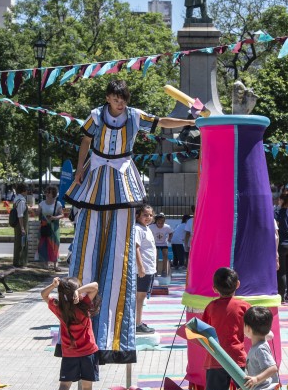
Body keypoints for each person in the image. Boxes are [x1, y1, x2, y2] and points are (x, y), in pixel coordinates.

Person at [63, 79, 193, 364]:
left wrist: (188, 118)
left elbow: (161, 122)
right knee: (89, 235)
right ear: (108, 97)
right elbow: (85, 142)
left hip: (122, 174)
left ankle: (114, 331)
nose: (119, 103)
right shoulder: (96, 116)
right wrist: (79, 172)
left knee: (119, 246)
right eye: (115, 98)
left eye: (122, 99)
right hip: (98, 172)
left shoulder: (134, 116)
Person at [41, 277, 100, 390]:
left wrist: (53, 285)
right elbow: (95, 286)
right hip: (88, 352)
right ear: (75, 293)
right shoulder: (84, 304)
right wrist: (79, 291)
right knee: (87, 386)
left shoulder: (59, 307)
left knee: (64, 385)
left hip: (69, 353)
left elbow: (44, 295)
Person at [201, 267, 248, 390]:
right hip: (237, 358)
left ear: (214, 288)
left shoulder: (210, 307)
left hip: (216, 358)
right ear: (237, 284)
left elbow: (204, 330)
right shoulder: (244, 306)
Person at [134, 205, 157, 334]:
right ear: (138, 216)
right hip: (143, 269)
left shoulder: (147, 228)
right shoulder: (138, 229)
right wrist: (141, 266)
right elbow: (137, 248)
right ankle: (137, 323)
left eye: (150, 215)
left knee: (142, 296)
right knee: (140, 297)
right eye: (145, 215)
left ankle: (138, 321)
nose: (148, 217)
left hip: (150, 268)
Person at [37, 186, 65, 270]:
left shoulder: (58, 204)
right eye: (46, 192)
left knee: (55, 245)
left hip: (54, 227)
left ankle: (55, 265)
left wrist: (54, 218)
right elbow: (38, 214)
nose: (47, 194)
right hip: (44, 226)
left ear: (53, 194)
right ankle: (46, 264)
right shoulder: (42, 203)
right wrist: (34, 211)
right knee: (44, 245)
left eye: (49, 192)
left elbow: (62, 214)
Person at [150, 213, 173, 279]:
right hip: (155, 244)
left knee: (165, 255)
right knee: (155, 257)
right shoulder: (151, 227)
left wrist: (169, 239)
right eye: (159, 223)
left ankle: (164, 271)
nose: (160, 225)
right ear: (156, 222)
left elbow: (171, 233)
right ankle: (155, 271)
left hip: (163, 244)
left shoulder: (167, 227)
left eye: (162, 223)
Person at [11, 184, 28, 268]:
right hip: (21, 224)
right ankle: (20, 262)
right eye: (26, 190)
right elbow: (20, 215)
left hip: (17, 224)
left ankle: (17, 261)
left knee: (18, 242)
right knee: (22, 243)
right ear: (23, 191)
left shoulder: (16, 199)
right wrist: (22, 228)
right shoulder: (21, 200)